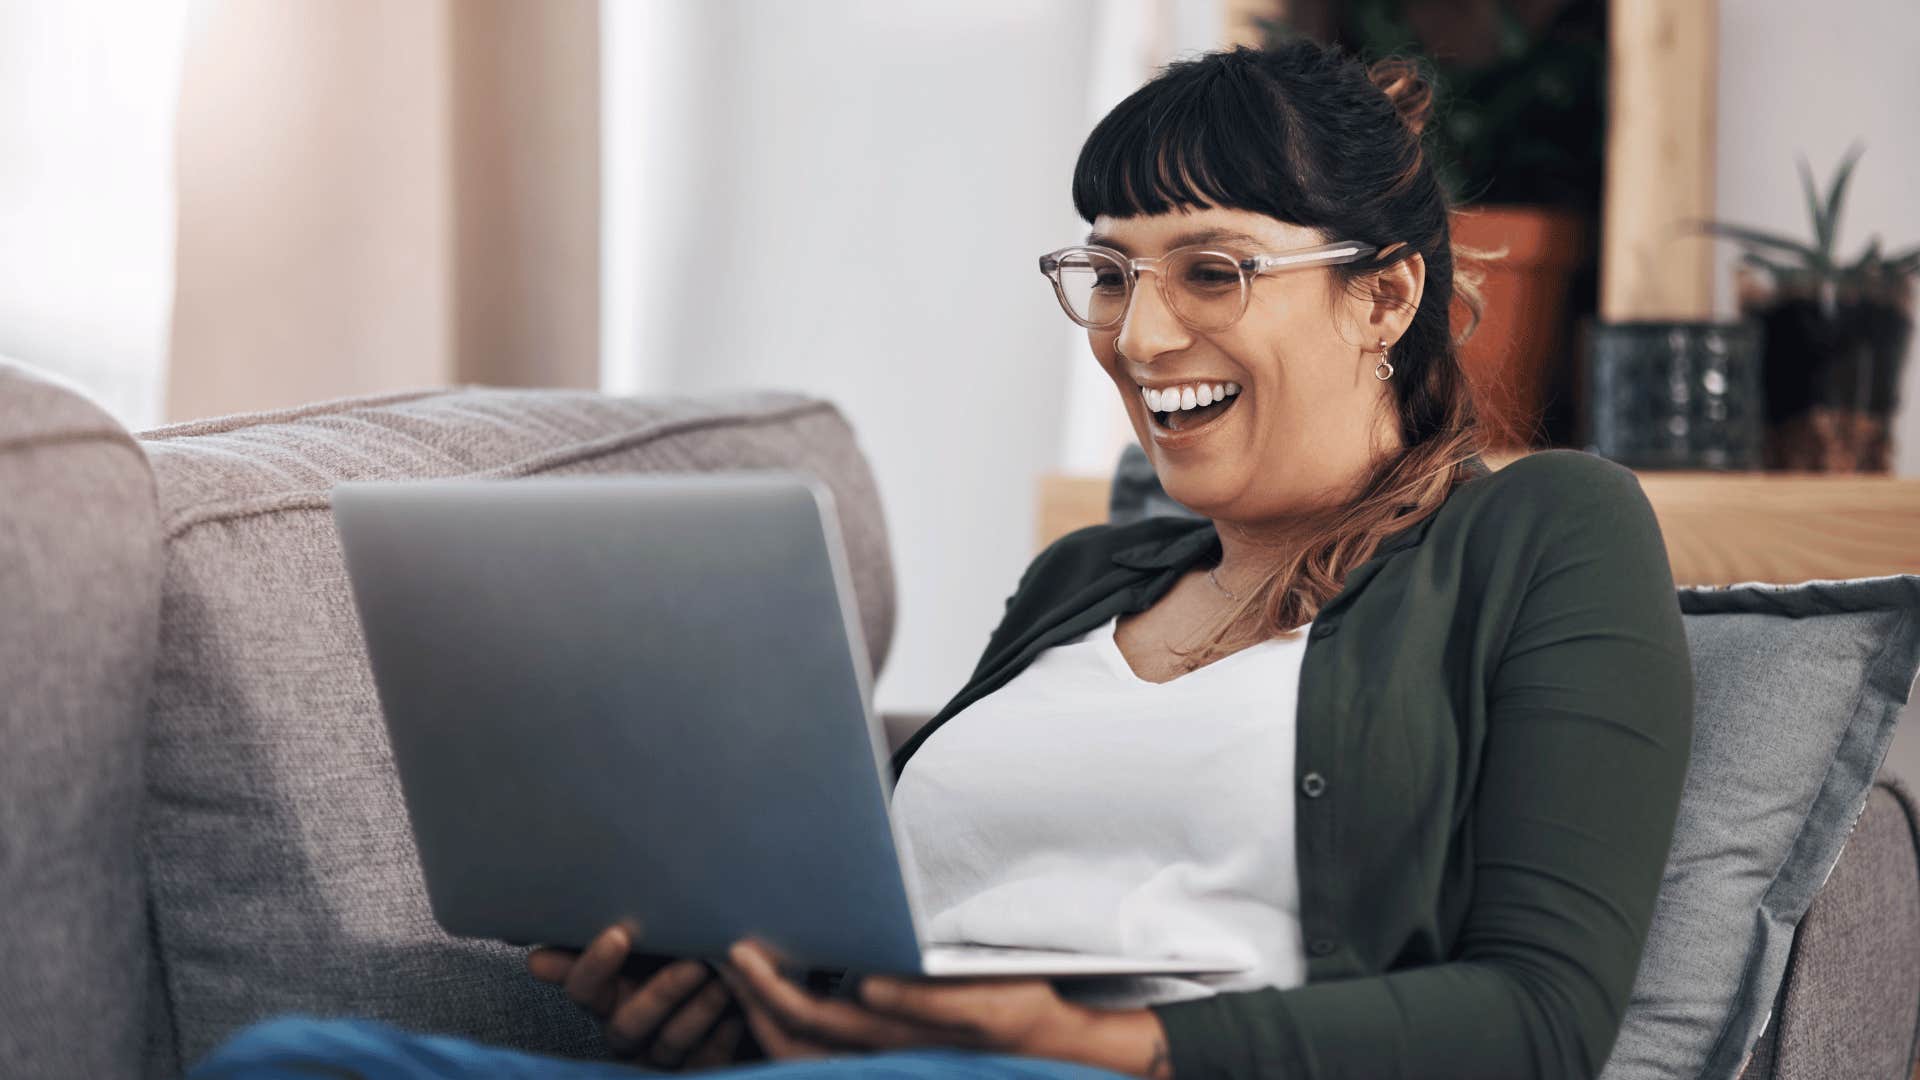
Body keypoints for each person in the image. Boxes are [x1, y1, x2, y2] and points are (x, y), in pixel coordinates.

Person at [189, 37, 1692, 1080]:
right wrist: (738, 1007)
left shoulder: (1544, 535)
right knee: (291, 1060)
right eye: (1106, 272)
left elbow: (1539, 1023)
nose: (1140, 335)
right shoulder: (1082, 585)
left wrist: (1098, 1045)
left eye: (1212, 270)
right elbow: (908, 937)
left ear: (1386, 298)